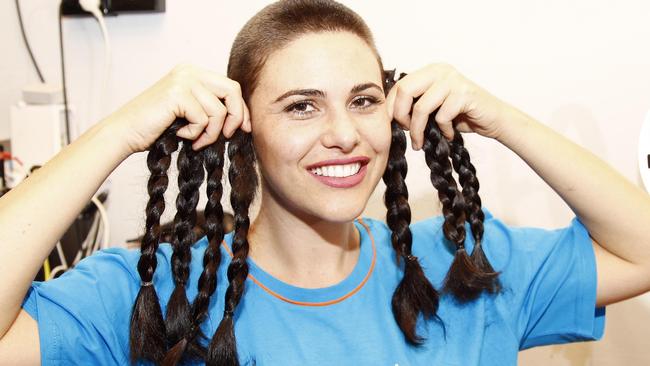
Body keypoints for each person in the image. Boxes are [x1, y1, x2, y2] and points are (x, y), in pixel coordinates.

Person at [1, 0, 650, 365]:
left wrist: (502, 118)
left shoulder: (465, 267)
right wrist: (117, 132)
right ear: (242, 126)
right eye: (301, 105)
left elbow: (640, 249)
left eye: (364, 99)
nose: (345, 132)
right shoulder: (159, 292)